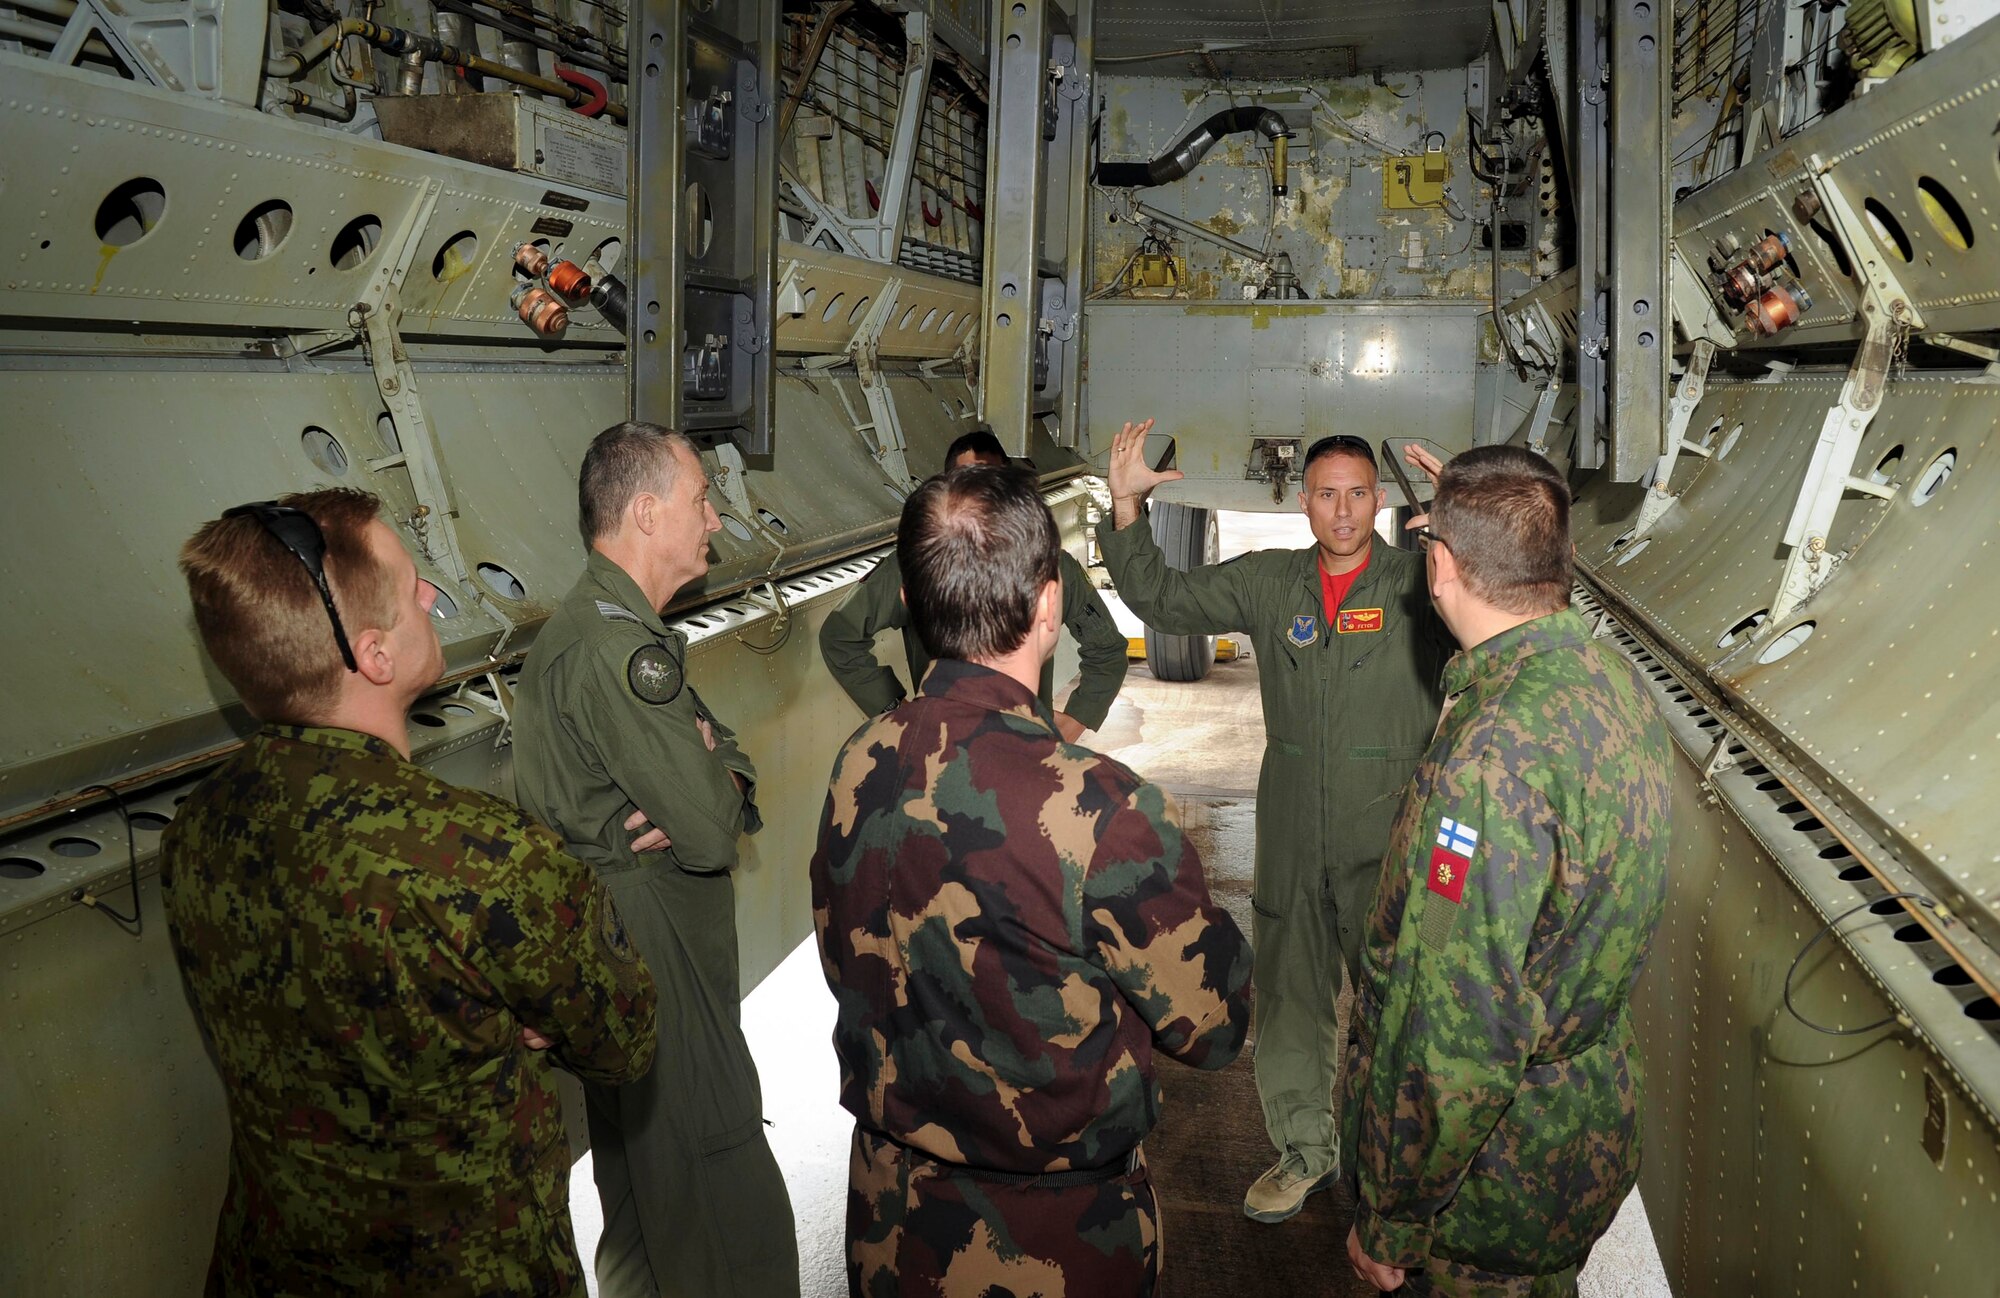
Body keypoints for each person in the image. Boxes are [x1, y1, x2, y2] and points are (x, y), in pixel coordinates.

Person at [163, 488, 658, 1297]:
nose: (432, 593)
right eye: (412, 584)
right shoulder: (489, 858)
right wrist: (520, 1015)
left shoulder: (197, 832)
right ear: (375, 656)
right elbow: (624, 1038)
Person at [811, 463, 1253, 1295]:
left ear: (909, 601)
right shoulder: (1104, 807)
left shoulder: (859, 760)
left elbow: (852, 961)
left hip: (888, 1219)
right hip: (1053, 1239)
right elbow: (1214, 1025)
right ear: (1048, 605)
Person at [1102, 420, 1453, 1222]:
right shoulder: (1271, 584)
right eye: (1326, 494)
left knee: (1401, 1005)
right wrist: (1126, 509)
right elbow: (1163, 598)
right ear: (1304, 503)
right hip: (1292, 823)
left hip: (1392, 827)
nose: (1342, 511)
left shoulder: (1422, 582)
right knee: (1292, 1000)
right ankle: (1304, 1152)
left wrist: (1465, 520)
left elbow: (1509, 607)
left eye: (1358, 494)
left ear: (1380, 499)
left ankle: (1402, 1170)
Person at [1343, 446, 1672, 1296]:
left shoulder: (1493, 760)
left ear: (1441, 564)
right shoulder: (1609, 681)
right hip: (1578, 1128)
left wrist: (1393, 1213)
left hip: (1488, 1179)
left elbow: (1460, 1025)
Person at [511, 423, 800, 1298]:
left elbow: (730, 764)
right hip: (659, 963)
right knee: (724, 1208)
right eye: (700, 499)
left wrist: (714, 769)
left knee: (646, 1209)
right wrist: (711, 774)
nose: (714, 518)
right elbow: (713, 830)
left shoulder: (613, 630)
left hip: (621, 953)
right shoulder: (616, 651)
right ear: (645, 512)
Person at [818, 428, 1128, 742]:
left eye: (988, 482)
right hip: (939, 748)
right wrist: (895, 712)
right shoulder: (914, 564)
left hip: (1026, 750)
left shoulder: (1052, 565)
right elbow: (841, 635)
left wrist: (1079, 717)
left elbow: (1107, 649)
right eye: (966, 482)